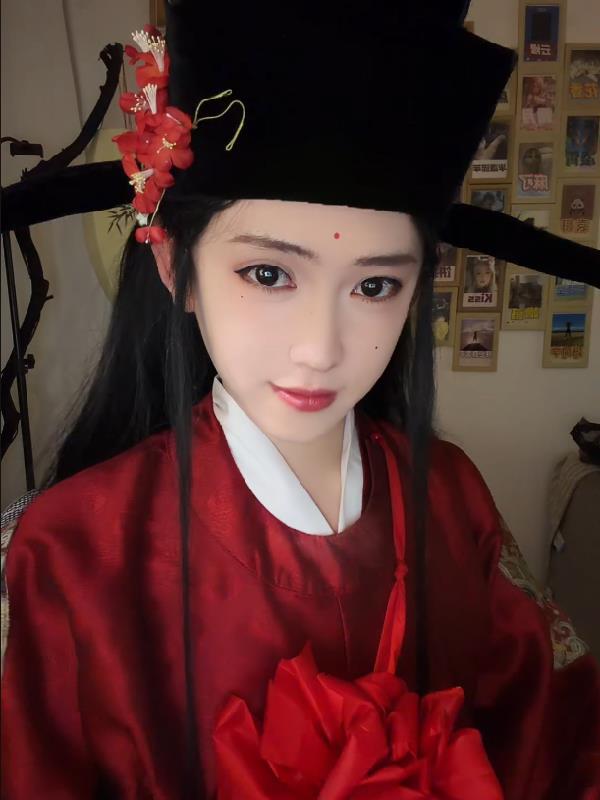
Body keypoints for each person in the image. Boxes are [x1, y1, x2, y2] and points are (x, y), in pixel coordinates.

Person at [2, 2, 600, 799]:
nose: (321, 348)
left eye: (375, 286)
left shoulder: (451, 497)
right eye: (269, 274)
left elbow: (558, 741)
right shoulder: (71, 550)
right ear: (176, 268)